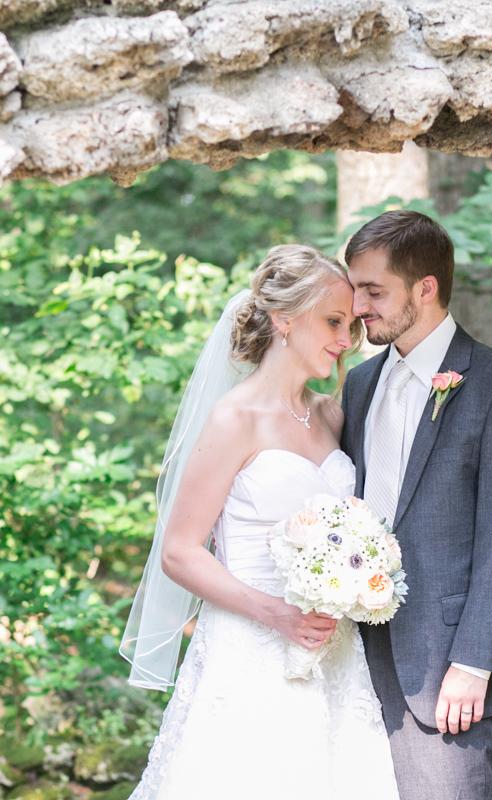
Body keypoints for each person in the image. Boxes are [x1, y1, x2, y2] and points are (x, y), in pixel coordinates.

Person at [121, 244, 400, 800]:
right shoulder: (235, 418)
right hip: (252, 646)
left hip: (335, 656)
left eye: (350, 326)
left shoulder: (332, 414)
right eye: (334, 322)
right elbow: (179, 552)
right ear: (284, 319)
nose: (347, 340)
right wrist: (277, 614)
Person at [341, 210, 492, 800]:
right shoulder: (358, 385)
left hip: (445, 671)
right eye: (355, 289)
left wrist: (475, 663)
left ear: (425, 288)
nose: (357, 306)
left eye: (373, 290)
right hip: (350, 660)